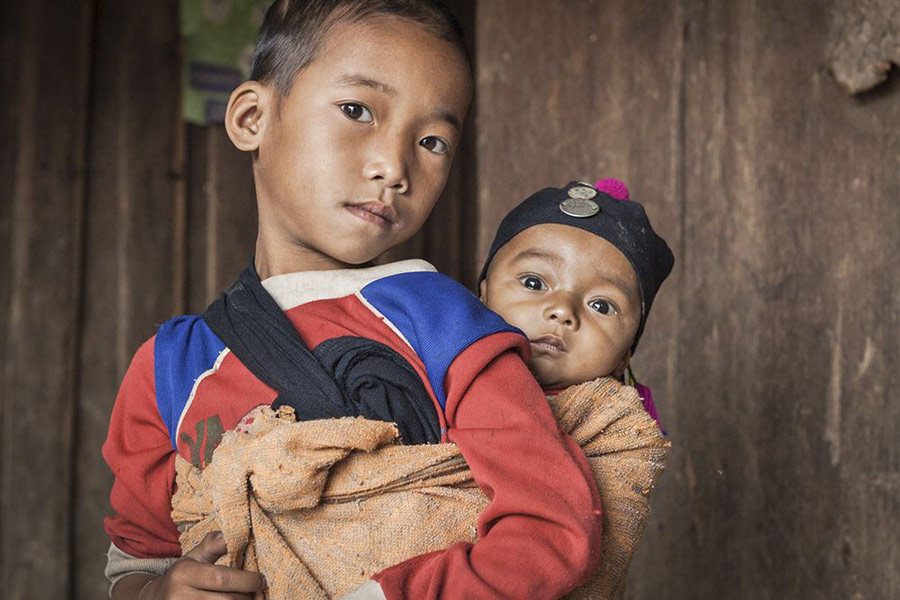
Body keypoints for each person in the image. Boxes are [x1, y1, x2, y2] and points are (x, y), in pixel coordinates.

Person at [102, 2, 603, 599]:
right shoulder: (167, 367)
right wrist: (158, 594)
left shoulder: (449, 328)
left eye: (433, 141)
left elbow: (552, 528)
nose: (394, 167)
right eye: (357, 110)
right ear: (252, 117)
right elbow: (138, 564)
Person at [478, 178, 674, 413]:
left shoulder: (621, 429)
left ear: (625, 355)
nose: (562, 310)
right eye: (534, 283)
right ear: (483, 295)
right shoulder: (438, 377)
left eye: (601, 305)